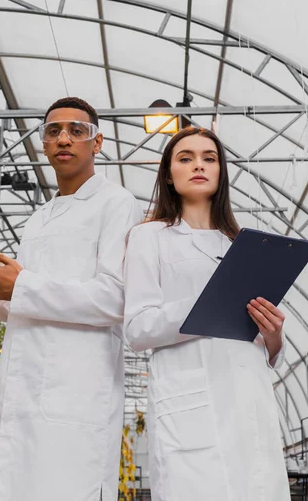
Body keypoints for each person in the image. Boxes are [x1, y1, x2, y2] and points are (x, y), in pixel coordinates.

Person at [0, 97, 142, 501]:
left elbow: (116, 298)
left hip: (76, 391)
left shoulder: (116, 203)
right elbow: (21, 306)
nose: (63, 138)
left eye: (76, 130)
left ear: (98, 142)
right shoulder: (39, 218)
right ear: (43, 144)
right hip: (23, 386)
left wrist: (24, 285)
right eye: (53, 131)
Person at [124, 126, 290, 501]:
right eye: (186, 158)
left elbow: (263, 343)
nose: (199, 165)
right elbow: (136, 328)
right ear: (169, 173)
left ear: (221, 172)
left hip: (250, 404)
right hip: (192, 408)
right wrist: (208, 303)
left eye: (209, 158)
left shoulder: (246, 245)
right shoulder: (149, 237)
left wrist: (274, 336)